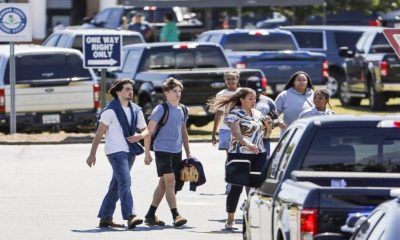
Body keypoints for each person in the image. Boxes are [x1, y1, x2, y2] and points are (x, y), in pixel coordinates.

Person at [86, 79, 147, 229]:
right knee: (125, 182)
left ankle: (106, 218)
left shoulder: (136, 110)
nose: (130, 91)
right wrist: (92, 154)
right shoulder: (110, 110)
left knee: (116, 185)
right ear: (118, 92)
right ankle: (131, 216)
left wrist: (140, 137)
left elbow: (146, 130)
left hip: (130, 151)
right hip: (115, 151)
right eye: (126, 89)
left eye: (131, 89)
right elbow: (99, 134)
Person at [212, 88, 272, 230]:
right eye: (250, 98)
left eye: (255, 98)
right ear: (242, 99)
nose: (253, 101)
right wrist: (249, 144)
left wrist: (269, 127)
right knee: (237, 187)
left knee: (257, 187)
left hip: (259, 153)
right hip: (239, 154)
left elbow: (266, 136)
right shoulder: (234, 114)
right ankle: (230, 219)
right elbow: (237, 134)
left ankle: (253, 215)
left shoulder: (258, 114)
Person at [143, 77, 190, 227]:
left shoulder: (183, 109)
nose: (178, 94)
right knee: (170, 182)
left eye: (179, 91)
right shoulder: (161, 109)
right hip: (162, 150)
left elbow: (184, 132)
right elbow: (148, 132)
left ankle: (150, 215)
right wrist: (147, 153)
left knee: (164, 183)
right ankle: (176, 215)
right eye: (174, 91)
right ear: (166, 93)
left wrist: (188, 153)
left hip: (177, 150)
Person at [211, 71, 240, 194]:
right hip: (226, 130)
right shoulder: (221, 94)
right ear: (224, 80)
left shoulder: (243, 92)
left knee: (241, 156)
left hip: (242, 129)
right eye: (228, 79)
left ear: (238, 79)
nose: (230, 81)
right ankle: (229, 183)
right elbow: (218, 114)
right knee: (230, 157)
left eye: (233, 79)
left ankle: (240, 182)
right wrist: (213, 133)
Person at [245, 76, 286, 158]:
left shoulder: (268, 101)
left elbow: (276, 118)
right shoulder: (240, 101)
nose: (257, 93)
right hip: (246, 140)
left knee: (263, 166)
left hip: (264, 139)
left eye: (259, 90)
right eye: (253, 91)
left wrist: (277, 123)